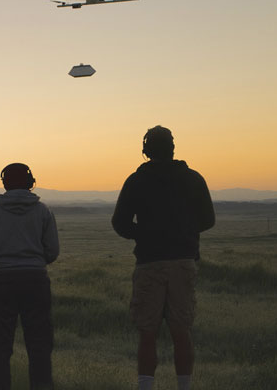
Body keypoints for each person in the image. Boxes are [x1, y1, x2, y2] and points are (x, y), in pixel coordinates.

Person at [112, 126, 215, 390]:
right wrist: (183, 233)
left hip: (150, 262)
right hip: (183, 261)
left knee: (148, 332)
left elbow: (120, 223)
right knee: (181, 330)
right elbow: (208, 220)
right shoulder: (193, 179)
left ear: (146, 150)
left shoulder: (136, 180)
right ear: (172, 148)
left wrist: (145, 235)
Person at [0, 163, 59, 390]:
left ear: (5, 183)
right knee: (40, 344)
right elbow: (52, 251)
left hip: (1, 281)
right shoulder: (43, 212)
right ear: (31, 182)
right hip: (36, 281)